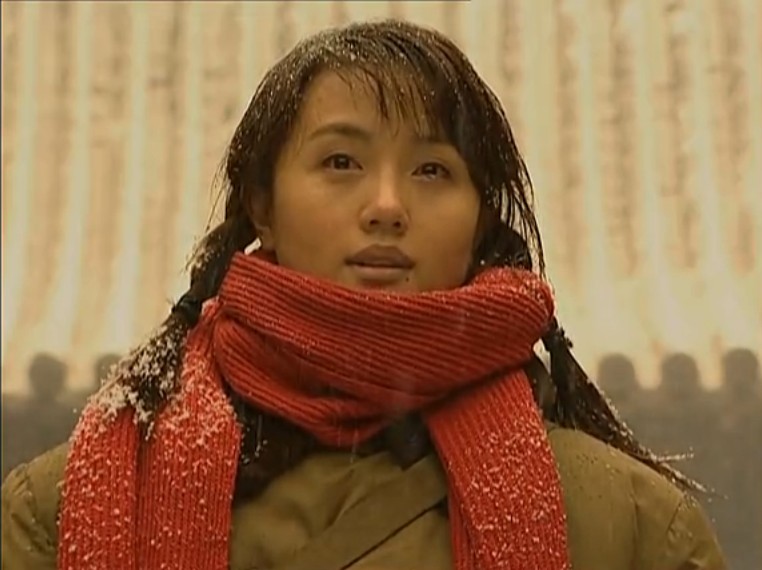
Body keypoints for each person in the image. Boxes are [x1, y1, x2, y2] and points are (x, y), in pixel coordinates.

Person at [1, 20, 725, 570]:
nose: (386, 206)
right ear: (262, 206)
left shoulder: (630, 530)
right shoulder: (77, 506)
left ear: (481, 219)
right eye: (341, 161)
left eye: (433, 170)